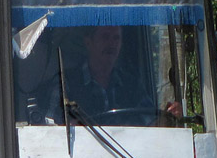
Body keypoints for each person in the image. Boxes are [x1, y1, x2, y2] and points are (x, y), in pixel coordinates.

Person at [45, 25, 179, 124]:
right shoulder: (65, 83)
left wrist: (167, 118)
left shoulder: (132, 86)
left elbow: (151, 126)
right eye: (105, 37)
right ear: (88, 42)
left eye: (116, 38)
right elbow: (51, 128)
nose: (112, 44)